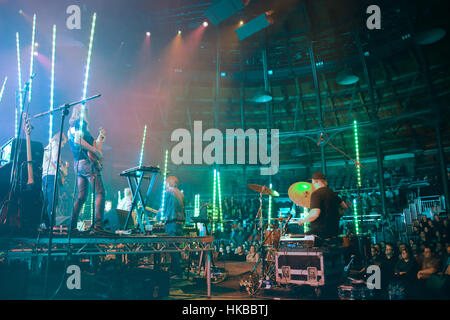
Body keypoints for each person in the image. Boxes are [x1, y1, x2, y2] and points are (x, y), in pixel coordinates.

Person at [67, 105, 106, 234]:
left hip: (78, 164)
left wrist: (100, 138)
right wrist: (94, 149)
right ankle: (98, 227)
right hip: (86, 163)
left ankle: (71, 226)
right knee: (100, 192)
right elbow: (79, 141)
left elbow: (91, 145)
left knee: (82, 196)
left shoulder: (73, 126)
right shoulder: (80, 123)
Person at [297, 172, 348, 239]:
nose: (312, 184)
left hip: (319, 233)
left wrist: (303, 220)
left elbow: (315, 214)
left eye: (312, 182)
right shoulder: (333, 194)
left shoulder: (316, 194)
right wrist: (337, 216)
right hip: (334, 231)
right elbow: (345, 207)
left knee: (299, 241)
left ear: (316, 181)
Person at [41, 132, 68, 229]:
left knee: (46, 201)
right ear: (60, 140)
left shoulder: (47, 147)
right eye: (63, 143)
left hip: (45, 176)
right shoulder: (55, 145)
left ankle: (45, 223)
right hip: (52, 176)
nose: (63, 145)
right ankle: (51, 225)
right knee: (53, 201)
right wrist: (62, 169)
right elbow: (56, 159)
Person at [161, 176, 185, 276]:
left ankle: (176, 270)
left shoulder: (167, 192)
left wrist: (159, 217)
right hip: (180, 223)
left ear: (169, 183)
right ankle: (177, 268)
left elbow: (164, 209)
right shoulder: (181, 193)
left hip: (171, 222)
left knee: (172, 247)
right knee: (177, 247)